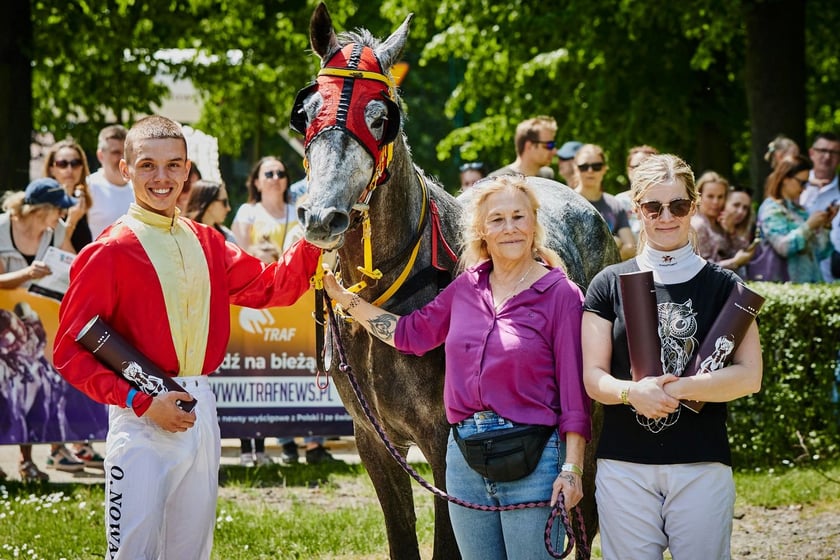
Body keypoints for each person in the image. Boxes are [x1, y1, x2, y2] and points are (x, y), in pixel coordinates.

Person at [52, 115, 321, 559]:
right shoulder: (107, 251)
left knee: (191, 552)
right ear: (125, 169)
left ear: (187, 171)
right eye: (147, 166)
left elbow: (272, 285)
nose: (162, 178)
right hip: (140, 415)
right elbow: (68, 353)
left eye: (173, 166)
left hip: (201, 409)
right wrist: (139, 401)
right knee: (131, 553)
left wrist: (318, 239)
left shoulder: (209, 242)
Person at [323, 174, 590, 557]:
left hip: (533, 463)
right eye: (497, 219)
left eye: (519, 216)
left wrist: (572, 469)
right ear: (481, 230)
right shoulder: (465, 289)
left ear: (534, 221)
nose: (510, 228)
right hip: (465, 463)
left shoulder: (561, 294)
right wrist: (345, 300)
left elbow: (573, 395)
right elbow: (409, 335)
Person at [581, 153, 763, 560]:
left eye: (678, 206)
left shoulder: (724, 286)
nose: (666, 217)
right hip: (624, 464)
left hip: (702, 462)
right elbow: (593, 378)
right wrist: (633, 393)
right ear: (637, 209)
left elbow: (750, 376)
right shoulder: (608, 283)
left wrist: (681, 388)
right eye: (653, 207)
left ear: (693, 207)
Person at [0, 179, 79, 482]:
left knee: (29, 390)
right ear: (42, 209)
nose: (62, 215)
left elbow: (74, 265)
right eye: (59, 209)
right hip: (1, 323)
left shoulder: (55, 231)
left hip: (32, 323)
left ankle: (27, 461)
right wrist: (27, 273)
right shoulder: (2, 227)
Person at [757, 154, 837, 283]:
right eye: (802, 183)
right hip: (786, 290)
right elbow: (783, 247)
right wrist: (809, 226)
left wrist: (826, 226)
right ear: (785, 179)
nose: (805, 188)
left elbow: (821, 253)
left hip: (810, 288)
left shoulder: (800, 211)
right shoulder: (771, 209)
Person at [573, 143, 636, 261]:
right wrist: (614, 243)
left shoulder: (615, 204)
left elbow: (630, 247)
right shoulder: (567, 201)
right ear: (576, 168)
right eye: (584, 167)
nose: (590, 171)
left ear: (604, 169)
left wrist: (602, 264)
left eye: (596, 166)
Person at [691, 171, 756, 272]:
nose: (716, 202)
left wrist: (731, 232)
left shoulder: (721, 222)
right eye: (710, 196)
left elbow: (744, 252)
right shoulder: (698, 225)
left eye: (720, 197)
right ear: (699, 196)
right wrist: (734, 262)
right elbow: (701, 268)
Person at [231, 156, 298, 250]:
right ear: (257, 183)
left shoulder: (298, 212)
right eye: (269, 174)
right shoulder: (247, 212)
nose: (276, 178)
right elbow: (242, 253)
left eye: (281, 174)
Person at [800, 132, 840, 282]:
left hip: (833, 278)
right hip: (796, 277)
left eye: (833, 152)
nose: (827, 157)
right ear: (812, 153)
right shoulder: (795, 185)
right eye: (823, 150)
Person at [42, 139, 93, 251]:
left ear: (82, 168)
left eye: (75, 163)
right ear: (52, 170)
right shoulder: (44, 203)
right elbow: (49, 250)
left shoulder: (81, 200)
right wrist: (72, 221)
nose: (69, 169)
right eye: (62, 164)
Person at [86, 124, 134, 239]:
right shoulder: (89, 187)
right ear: (100, 155)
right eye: (116, 152)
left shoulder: (140, 187)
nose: (122, 158)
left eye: (126, 152)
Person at [488, 116, 557, 179]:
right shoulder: (497, 179)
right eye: (549, 145)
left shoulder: (547, 176)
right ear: (529, 146)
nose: (554, 151)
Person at [616, 145, 660, 240]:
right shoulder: (618, 202)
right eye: (636, 166)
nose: (641, 171)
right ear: (628, 170)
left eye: (647, 166)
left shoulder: (667, 201)